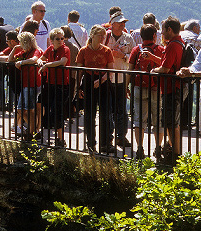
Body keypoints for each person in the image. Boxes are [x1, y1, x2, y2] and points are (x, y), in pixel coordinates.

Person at [126, 24, 164, 159]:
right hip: (155, 87)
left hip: (138, 86)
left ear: (141, 36)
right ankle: (158, 148)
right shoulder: (160, 49)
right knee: (157, 119)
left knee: (139, 120)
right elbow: (165, 65)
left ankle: (140, 149)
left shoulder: (137, 50)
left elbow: (130, 70)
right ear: (154, 35)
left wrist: (126, 87)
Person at [151, 16, 185, 164]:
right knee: (173, 123)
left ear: (169, 30)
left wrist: (154, 70)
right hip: (174, 87)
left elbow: (165, 68)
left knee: (171, 123)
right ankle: (175, 153)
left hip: (171, 88)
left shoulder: (172, 45)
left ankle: (175, 155)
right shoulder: (180, 43)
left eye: (163, 29)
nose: (161, 32)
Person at [76, 24, 115, 153]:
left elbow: (111, 70)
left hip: (103, 83)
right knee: (89, 114)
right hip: (88, 82)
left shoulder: (106, 51)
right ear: (92, 36)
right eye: (100, 36)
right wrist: (78, 88)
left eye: (104, 36)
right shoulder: (84, 51)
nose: (103, 38)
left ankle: (105, 143)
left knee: (105, 114)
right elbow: (79, 71)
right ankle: (91, 143)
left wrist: (102, 80)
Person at [104, 12, 135, 148]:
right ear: (113, 24)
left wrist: (122, 55)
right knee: (109, 109)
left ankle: (121, 136)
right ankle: (109, 137)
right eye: (120, 22)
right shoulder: (105, 37)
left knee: (121, 109)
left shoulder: (128, 37)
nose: (123, 25)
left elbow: (134, 56)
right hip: (108, 78)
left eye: (124, 23)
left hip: (122, 77)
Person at [8, 30, 44, 141]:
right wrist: (14, 49)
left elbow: (34, 59)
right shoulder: (24, 52)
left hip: (32, 83)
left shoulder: (36, 51)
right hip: (25, 84)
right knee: (21, 109)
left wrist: (22, 63)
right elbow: (10, 60)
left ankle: (31, 133)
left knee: (29, 109)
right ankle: (33, 131)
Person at [40, 28, 70, 147]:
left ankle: (60, 139)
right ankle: (50, 136)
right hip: (50, 83)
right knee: (48, 108)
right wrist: (40, 62)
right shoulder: (50, 49)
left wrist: (47, 65)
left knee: (58, 111)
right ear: (52, 40)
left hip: (62, 85)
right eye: (57, 39)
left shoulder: (65, 49)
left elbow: (63, 61)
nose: (60, 40)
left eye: (62, 38)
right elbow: (41, 57)